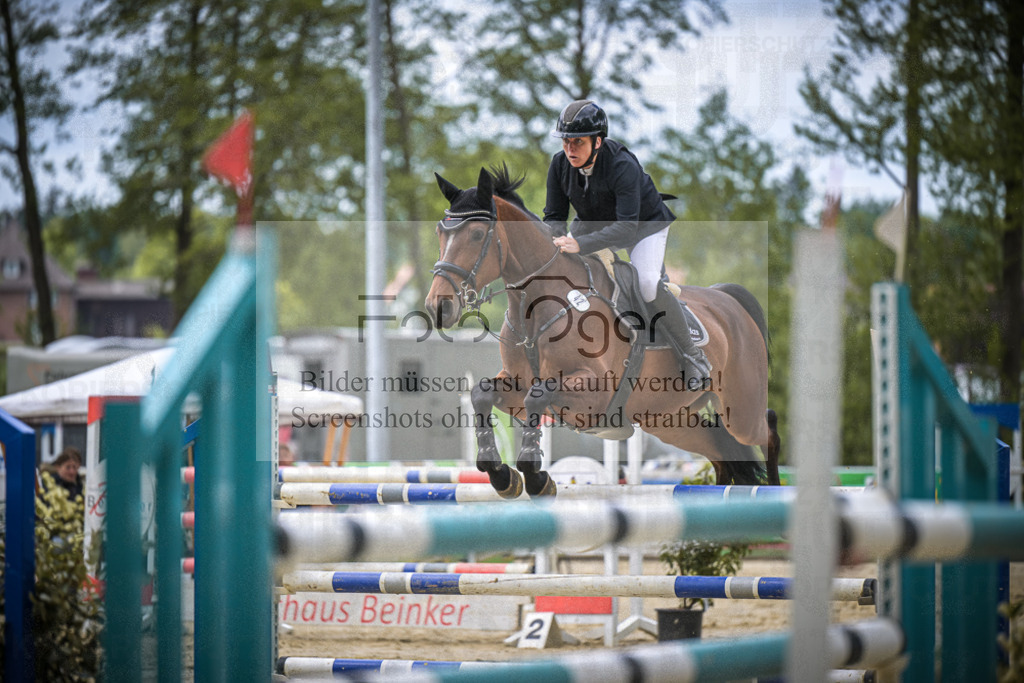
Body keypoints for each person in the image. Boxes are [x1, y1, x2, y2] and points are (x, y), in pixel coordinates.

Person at [543, 99, 711, 382]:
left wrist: (581, 245)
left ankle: (693, 356)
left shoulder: (622, 165)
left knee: (647, 284)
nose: (570, 149)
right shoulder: (560, 164)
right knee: (562, 268)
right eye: (566, 141)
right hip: (594, 223)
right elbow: (554, 216)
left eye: (578, 142)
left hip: (642, 226)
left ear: (597, 141)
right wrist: (558, 240)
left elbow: (626, 228)